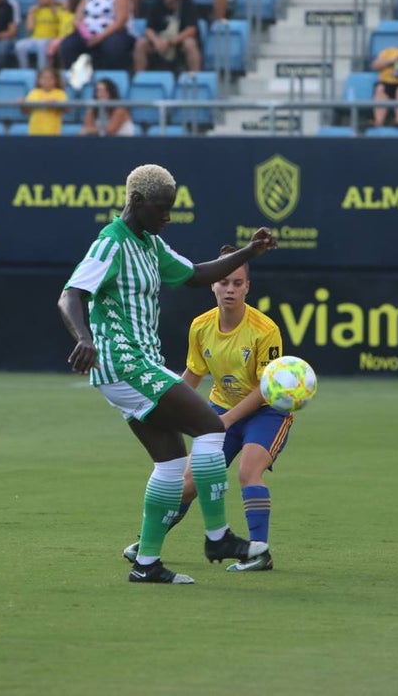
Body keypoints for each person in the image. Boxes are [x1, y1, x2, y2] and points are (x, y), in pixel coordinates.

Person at [58, 163, 277, 584]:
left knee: (172, 461)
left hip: (141, 364)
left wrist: (249, 252)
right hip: (124, 362)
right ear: (137, 202)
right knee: (211, 427)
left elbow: (196, 274)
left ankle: (146, 564)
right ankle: (217, 537)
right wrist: (83, 337)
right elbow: (70, 295)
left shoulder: (150, 244)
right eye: (162, 208)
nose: (168, 217)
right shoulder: (111, 243)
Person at [122, 244, 291, 572]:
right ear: (213, 284)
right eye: (224, 281)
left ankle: (259, 553)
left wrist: (225, 419)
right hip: (221, 410)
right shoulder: (201, 326)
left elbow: (266, 388)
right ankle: (148, 543)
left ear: (247, 287)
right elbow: (193, 375)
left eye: (238, 283)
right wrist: (164, 406)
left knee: (248, 471)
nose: (230, 289)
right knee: (188, 483)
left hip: (266, 412)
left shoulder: (265, 329)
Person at [56, 0, 134, 75]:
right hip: (88, 32)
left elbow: (121, 20)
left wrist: (102, 35)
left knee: (112, 46)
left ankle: (112, 76)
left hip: (110, 32)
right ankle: (74, 75)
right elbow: (78, 18)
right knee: (67, 45)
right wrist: (85, 33)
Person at [133, 0, 200, 74]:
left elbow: (192, 29)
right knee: (141, 43)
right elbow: (149, 29)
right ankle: (139, 79)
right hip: (160, 41)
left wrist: (171, 42)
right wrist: (156, 41)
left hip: (179, 42)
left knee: (190, 44)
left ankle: (196, 78)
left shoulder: (187, 4)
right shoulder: (155, 4)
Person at [13, 0, 67, 72]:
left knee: (41, 45)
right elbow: (29, 28)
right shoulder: (36, 10)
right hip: (35, 39)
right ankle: (24, 70)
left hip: (50, 39)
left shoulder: (57, 8)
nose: (39, 0)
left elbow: (67, 6)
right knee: (19, 45)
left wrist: (53, 2)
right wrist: (31, 13)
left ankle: (41, 71)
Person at [20, 65, 63, 135]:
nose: (47, 81)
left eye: (50, 78)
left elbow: (66, 109)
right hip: (35, 133)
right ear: (38, 80)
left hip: (53, 134)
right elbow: (25, 111)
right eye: (44, 78)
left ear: (56, 80)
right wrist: (22, 104)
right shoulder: (33, 93)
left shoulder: (60, 93)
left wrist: (56, 104)